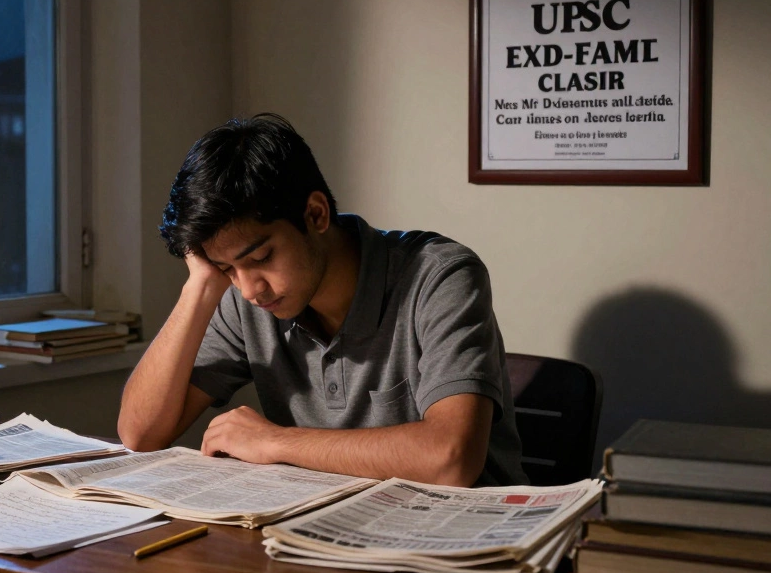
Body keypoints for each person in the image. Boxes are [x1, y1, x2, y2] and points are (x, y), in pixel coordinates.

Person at [117, 113, 527, 487]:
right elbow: (140, 434)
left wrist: (277, 442)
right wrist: (200, 286)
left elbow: (450, 460)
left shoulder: (440, 277)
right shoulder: (248, 297)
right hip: (320, 536)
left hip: (466, 544)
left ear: (315, 215)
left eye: (260, 258)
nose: (249, 290)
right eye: (226, 269)